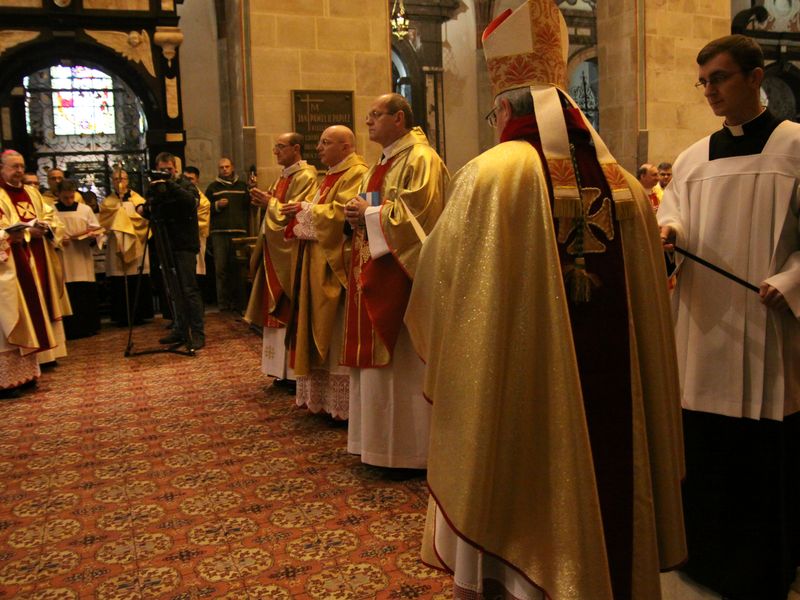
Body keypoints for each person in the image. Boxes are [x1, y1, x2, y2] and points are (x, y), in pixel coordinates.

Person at [404, 1, 687, 598]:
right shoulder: (627, 189)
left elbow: (441, 294)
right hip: (614, 406)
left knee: (519, 470)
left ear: (506, 107)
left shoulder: (489, 175)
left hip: (517, 400)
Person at [657, 34, 800, 600]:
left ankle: (764, 568)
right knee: (707, 449)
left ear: (755, 77)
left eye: (719, 78)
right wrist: (670, 234)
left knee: (763, 457)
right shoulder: (692, 158)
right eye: (704, 82)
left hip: (770, 327)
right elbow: (674, 218)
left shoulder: (795, 148)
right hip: (703, 330)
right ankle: (704, 559)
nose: (709, 91)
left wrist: (791, 281)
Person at [342, 93, 448, 469]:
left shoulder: (422, 158)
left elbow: (422, 216)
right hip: (374, 268)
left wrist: (370, 212)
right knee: (377, 372)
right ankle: (375, 446)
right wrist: (356, 215)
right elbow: (375, 206)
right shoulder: (382, 162)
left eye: (375, 115)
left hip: (403, 278)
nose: (368, 121)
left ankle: (410, 453)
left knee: (403, 366)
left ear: (399, 119)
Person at [283, 126, 366, 418]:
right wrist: (302, 210)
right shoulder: (329, 174)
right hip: (316, 264)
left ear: (346, 146)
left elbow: (344, 214)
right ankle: (325, 400)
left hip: (335, 267)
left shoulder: (356, 173)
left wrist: (304, 211)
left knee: (335, 330)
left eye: (325, 142)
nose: (318, 148)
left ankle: (341, 406)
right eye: (319, 142)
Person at [246, 132, 318, 388]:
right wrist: (264, 202)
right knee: (273, 309)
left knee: (288, 307)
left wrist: (270, 204)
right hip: (273, 251)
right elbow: (275, 209)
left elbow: (298, 214)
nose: (275, 151)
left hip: (289, 252)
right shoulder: (283, 176)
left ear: (296, 148)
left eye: (280, 146)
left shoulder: (306, 176)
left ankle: (293, 373)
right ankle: (279, 370)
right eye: (275, 147)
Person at [0, 150, 71, 366]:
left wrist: (46, 227)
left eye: (22, 166)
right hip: (16, 260)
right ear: (2, 168)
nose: (19, 171)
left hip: (41, 255)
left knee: (43, 300)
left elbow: (50, 216)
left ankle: (48, 356)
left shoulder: (32, 192)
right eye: (14, 166)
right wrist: (27, 233)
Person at [142, 152, 205, 351]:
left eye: (168, 169)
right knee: (173, 290)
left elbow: (190, 202)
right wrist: (144, 208)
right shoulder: (154, 186)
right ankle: (180, 328)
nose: (165, 173)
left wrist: (170, 184)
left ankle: (197, 332)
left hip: (185, 244)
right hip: (165, 243)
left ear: (175, 169)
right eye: (161, 170)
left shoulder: (185, 184)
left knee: (188, 289)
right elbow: (150, 209)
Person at [98, 168, 154, 326]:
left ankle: (140, 314)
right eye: (116, 179)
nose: (120, 182)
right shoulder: (108, 203)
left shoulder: (138, 199)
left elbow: (145, 219)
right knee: (120, 281)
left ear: (127, 181)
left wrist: (128, 222)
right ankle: (122, 316)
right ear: (112, 182)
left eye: (122, 179)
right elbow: (104, 222)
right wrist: (118, 220)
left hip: (136, 242)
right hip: (117, 243)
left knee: (137, 278)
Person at [54, 179, 102, 339]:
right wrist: (59, 240)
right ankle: (70, 329)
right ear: (58, 194)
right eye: (65, 197)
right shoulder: (52, 210)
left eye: (71, 197)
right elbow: (50, 234)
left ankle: (89, 326)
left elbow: (97, 229)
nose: (69, 201)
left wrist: (92, 236)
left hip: (82, 256)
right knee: (68, 293)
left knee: (84, 292)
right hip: (63, 257)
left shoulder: (85, 209)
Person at [206, 157, 249, 313]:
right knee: (221, 270)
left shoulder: (242, 186)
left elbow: (248, 206)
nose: (224, 169)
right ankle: (223, 304)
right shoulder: (213, 188)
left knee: (238, 270)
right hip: (219, 233)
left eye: (227, 166)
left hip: (239, 233)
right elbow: (205, 209)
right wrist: (217, 205)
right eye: (221, 167)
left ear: (232, 167)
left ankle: (240, 303)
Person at [183, 166, 211, 277]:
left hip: (195, 238)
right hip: (179, 240)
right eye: (185, 178)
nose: (187, 182)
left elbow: (199, 222)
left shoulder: (203, 202)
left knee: (193, 272)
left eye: (191, 179)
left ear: (197, 180)